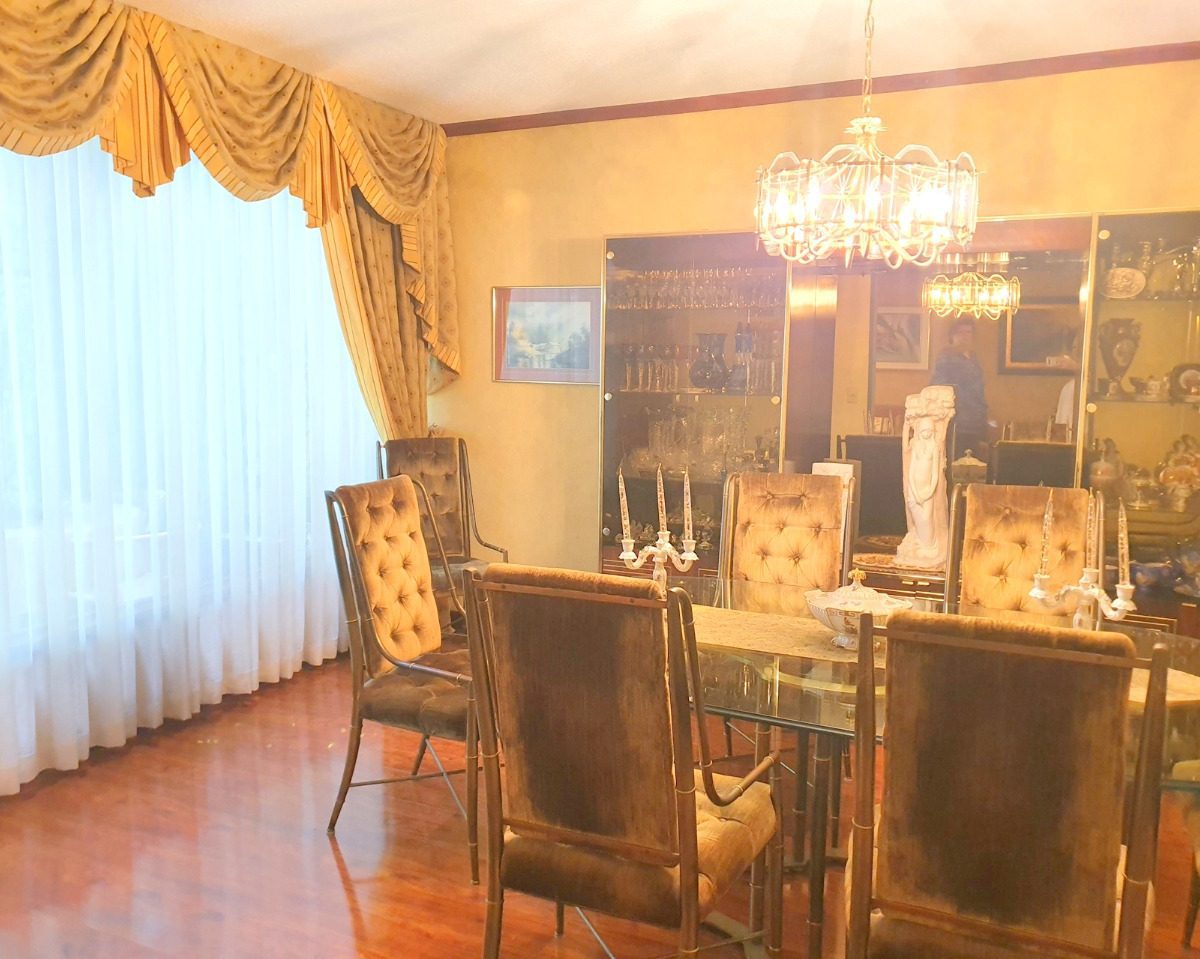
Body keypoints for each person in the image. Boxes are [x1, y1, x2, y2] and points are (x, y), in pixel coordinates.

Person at [930, 317, 989, 457]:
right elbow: (939, 388)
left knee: (973, 463)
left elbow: (979, 391)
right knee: (956, 460)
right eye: (960, 332)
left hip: (976, 422)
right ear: (952, 336)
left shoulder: (974, 358)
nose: (964, 336)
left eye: (968, 332)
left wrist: (983, 417)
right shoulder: (946, 358)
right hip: (956, 423)